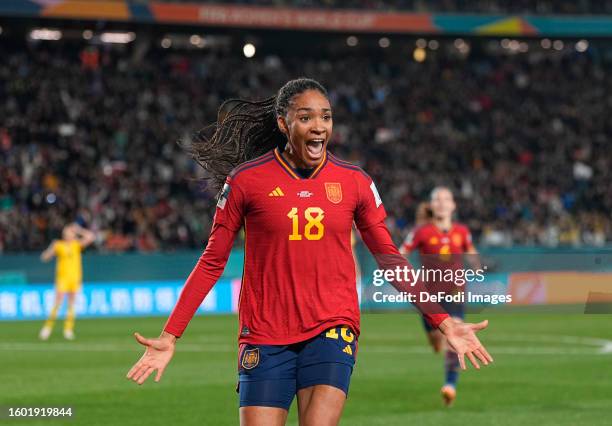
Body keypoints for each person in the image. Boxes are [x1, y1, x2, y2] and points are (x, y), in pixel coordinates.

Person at [126, 78, 492, 425]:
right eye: (306, 117)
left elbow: (390, 259)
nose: (319, 126)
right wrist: (170, 335)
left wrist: (443, 321)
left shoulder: (355, 182)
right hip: (265, 334)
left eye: (326, 116)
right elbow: (212, 261)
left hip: (332, 329)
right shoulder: (245, 181)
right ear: (284, 124)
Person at [401, 186, 481, 406]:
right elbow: (401, 254)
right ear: (432, 205)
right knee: (436, 340)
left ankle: (450, 385)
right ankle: (434, 341)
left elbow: (470, 251)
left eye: (447, 199)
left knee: (453, 335)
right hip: (427, 296)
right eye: (438, 199)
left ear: (453, 205)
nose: (442, 203)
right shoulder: (421, 232)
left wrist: (476, 265)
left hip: (455, 292)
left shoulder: (462, 231)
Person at [39, 223, 96, 340]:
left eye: (71, 232)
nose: (69, 234)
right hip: (62, 279)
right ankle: (47, 327)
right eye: (67, 232)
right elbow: (44, 257)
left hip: (75, 279)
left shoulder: (76, 245)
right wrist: (50, 251)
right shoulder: (58, 245)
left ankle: (68, 329)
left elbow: (91, 237)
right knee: (58, 303)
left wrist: (79, 230)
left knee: (71, 304)